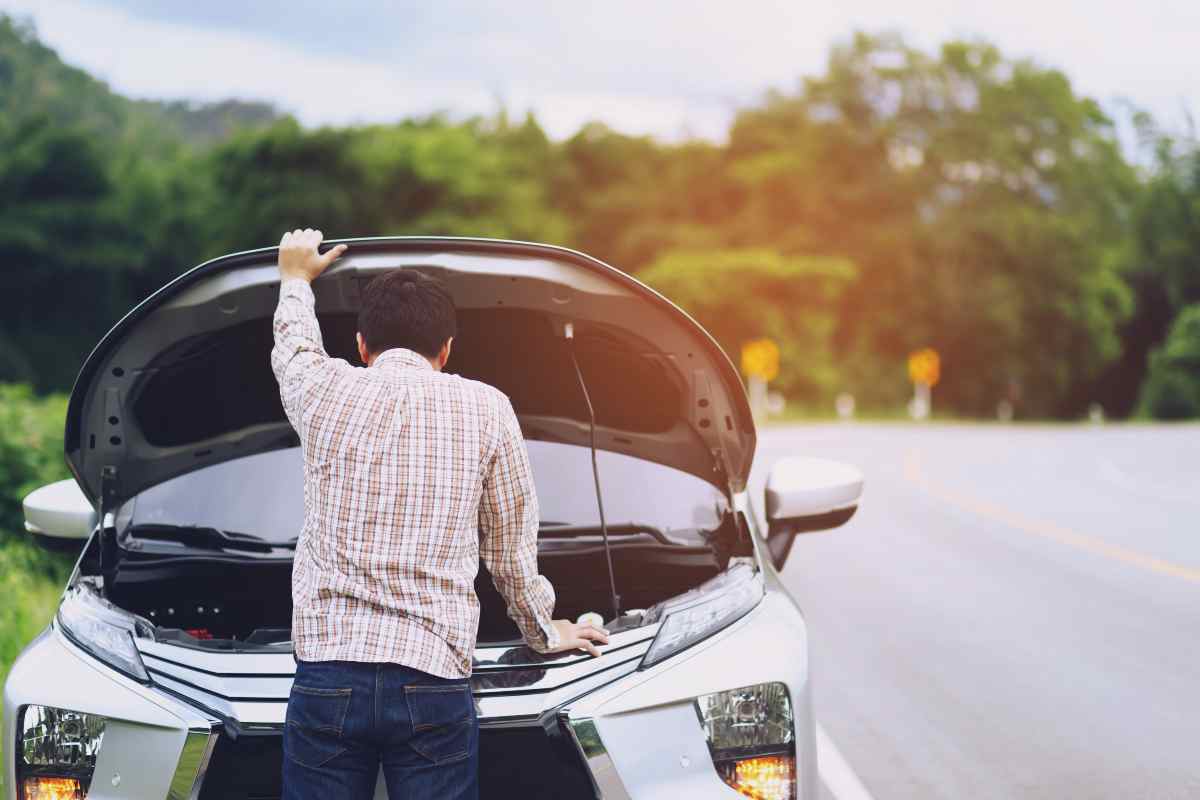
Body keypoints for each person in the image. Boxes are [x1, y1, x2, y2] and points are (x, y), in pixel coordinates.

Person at [270, 229, 609, 799]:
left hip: (328, 675)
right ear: (446, 348)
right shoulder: (487, 408)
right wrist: (543, 631)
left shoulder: (325, 390)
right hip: (433, 678)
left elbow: (295, 349)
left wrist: (294, 281)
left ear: (360, 344)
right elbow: (508, 549)